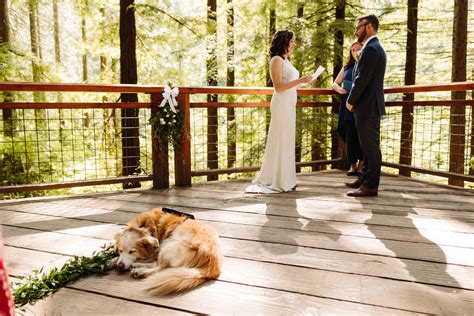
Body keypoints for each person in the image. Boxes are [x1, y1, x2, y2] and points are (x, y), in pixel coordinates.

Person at [245, 29, 315, 193]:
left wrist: (306, 82)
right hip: (281, 104)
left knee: (287, 140)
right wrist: (300, 79)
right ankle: (276, 179)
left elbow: (291, 84)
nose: (293, 44)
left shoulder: (287, 61)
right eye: (291, 41)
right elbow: (278, 86)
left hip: (289, 104)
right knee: (281, 138)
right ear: (283, 42)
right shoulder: (276, 60)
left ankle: (287, 179)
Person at [345, 14, 387, 197]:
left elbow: (362, 80)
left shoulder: (371, 49)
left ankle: (371, 185)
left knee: (370, 146)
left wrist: (350, 100)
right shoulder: (371, 47)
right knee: (367, 145)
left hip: (367, 105)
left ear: (369, 26)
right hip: (369, 104)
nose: (356, 31)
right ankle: (364, 178)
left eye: (359, 27)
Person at [332, 41, 364, 176]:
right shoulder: (347, 67)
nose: (355, 52)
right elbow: (335, 83)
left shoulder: (366, 65)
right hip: (346, 103)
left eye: (358, 49)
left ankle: (361, 166)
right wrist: (339, 89)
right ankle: (352, 165)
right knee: (349, 133)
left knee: (361, 134)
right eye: (353, 50)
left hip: (360, 104)